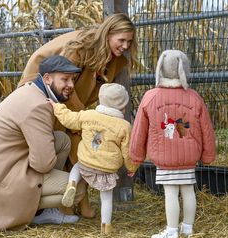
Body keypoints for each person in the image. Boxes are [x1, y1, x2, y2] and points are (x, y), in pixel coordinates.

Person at [18, 13, 138, 217]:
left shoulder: (113, 57)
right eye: (121, 40)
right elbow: (64, 82)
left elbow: (101, 90)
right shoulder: (79, 48)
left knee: (80, 139)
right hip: (48, 90)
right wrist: (84, 117)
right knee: (71, 139)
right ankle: (62, 203)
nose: (126, 46)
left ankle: (76, 201)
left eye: (129, 41)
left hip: (71, 97)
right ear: (108, 34)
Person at [0, 55, 85, 233]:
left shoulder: (31, 90)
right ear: (47, 78)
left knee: (62, 140)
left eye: (72, 79)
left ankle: (45, 210)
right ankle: (30, 211)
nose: (71, 85)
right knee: (78, 189)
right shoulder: (38, 105)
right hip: (0, 180)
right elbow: (42, 164)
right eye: (65, 79)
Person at [129, 50, 216, 238]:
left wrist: (135, 156)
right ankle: (187, 228)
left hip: (164, 157)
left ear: (159, 69)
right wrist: (208, 156)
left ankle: (171, 230)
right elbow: (207, 130)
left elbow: (139, 130)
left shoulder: (150, 97)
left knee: (170, 192)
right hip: (189, 156)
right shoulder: (194, 97)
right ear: (185, 70)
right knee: (188, 189)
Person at [47, 83, 139, 234]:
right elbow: (127, 151)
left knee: (77, 166)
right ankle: (106, 226)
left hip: (86, 162)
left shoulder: (88, 115)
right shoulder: (124, 126)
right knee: (106, 199)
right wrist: (131, 168)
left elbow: (69, 119)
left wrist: (57, 106)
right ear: (122, 106)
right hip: (106, 169)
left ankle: (72, 183)